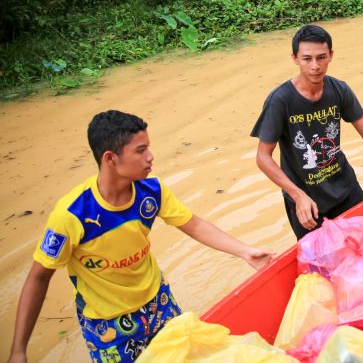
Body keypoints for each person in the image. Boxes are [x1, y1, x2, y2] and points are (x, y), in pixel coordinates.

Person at [8, 110, 274, 363]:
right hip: (109, 326)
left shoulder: (151, 191)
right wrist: (19, 351)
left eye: (148, 147)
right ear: (110, 158)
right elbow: (39, 276)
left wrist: (244, 251)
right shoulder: (72, 215)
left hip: (159, 304)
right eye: (140, 150)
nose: (151, 157)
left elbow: (193, 224)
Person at [252, 24, 363, 239]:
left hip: (346, 189)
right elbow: (263, 157)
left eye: (321, 57)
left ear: (331, 56)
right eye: (307, 58)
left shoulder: (339, 90)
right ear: (295, 59)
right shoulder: (280, 101)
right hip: (306, 202)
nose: (315, 66)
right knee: (322, 265)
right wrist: (297, 195)